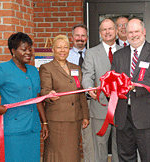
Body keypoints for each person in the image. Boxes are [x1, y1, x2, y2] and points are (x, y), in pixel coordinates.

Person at [0, 32, 49, 162]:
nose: (28, 52)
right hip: (14, 129)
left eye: (30, 49)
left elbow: (38, 99)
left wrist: (44, 122)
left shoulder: (33, 71)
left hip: (33, 128)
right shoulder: (3, 70)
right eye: (24, 49)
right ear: (13, 51)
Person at [111, 18, 150, 162]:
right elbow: (113, 81)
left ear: (144, 32)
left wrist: (136, 85)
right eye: (130, 32)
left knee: (148, 158)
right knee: (125, 157)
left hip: (147, 116)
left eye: (136, 31)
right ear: (125, 34)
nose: (133, 35)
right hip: (123, 116)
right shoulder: (118, 55)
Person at [40, 35, 90, 162]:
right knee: (57, 153)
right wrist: (49, 94)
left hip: (74, 118)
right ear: (52, 49)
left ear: (69, 49)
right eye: (59, 47)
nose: (62, 50)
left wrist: (85, 115)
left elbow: (80, 92)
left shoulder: (76, 68)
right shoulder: (47, 68)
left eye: (66, 47)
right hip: (57, 120)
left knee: (72, 153)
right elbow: (44, 90)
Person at [82, 18, 121, 162]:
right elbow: (87, 75)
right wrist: (89, 88)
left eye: (110, 28)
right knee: (99, 146)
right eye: (104, 29)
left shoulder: (125, 52)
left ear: (116, 31)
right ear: (100, 33)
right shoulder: (91, 53)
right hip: (100, 107)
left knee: (120, 146)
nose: (107, 32)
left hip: (121, 108)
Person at [66, 23, 95, 162]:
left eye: (83, 36)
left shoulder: (93, 54)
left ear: (87, 38)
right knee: (70, 141)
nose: (80, 38)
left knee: (89, 141)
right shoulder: (64, 56)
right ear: (71, 38)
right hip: (70, 104)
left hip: (89, 103)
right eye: (77, 35)